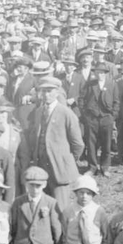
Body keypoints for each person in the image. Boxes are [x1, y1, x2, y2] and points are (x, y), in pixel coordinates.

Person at [21, 76, 84, 212]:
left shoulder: (66, 113)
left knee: (61, 208)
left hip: (60, 168)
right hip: (42, 166)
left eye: (50, 91)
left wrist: (67, 160)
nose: (46, 94)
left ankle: (62, 233)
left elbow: (78, 144)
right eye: (43, 91)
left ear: (57, 92)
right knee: (43, 207)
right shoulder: (38, 112)